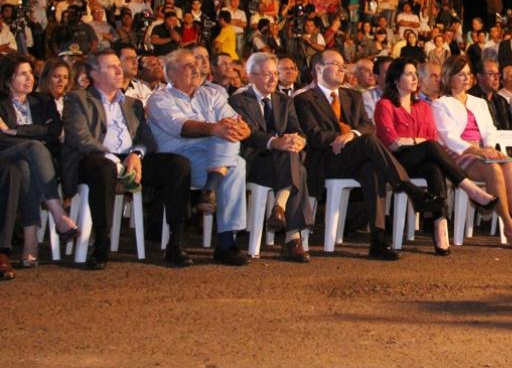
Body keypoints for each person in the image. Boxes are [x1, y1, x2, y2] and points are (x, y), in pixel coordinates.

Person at [293, 49, 442, 261]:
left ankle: (378, 240)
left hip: (355, 155)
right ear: (318, 68)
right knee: (370, 143)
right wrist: (341, 138)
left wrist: (351, 135)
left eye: (343, 63)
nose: (341, 67)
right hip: (326, 159)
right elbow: (314, 136)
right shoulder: (305, 98)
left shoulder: (352, 96)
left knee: (373, 168)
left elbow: (367, 126)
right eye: (335, 63)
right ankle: (408, 188)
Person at [62, 50, 194, 269]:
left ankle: (175, 242)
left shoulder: (131, 103)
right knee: (104, 167)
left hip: (129, 159)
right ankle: (101, 243)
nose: (119, 70)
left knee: (178, 165)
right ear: (94, 74)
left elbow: (147, 139)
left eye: (118, 65)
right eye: (111, 66)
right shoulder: (78, 99)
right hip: (94, 159)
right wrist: (113, 159)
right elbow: (80, 138)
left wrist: (136, 154)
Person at [373, 59, 498, 256]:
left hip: (420, 160)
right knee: (431, 148)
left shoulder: (422, 107)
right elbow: (392, 142)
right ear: (396, 80)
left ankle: (440, 230)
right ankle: (469, 188)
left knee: (434, 167)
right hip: (394, 163)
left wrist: (414, 141)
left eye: (415, 73)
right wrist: (418, 140)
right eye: (409, 74)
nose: (415, 78)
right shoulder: (385, 105)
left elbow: (431, 137)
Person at [147, 49, 251, 266]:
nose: (196, 68)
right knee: (233, 157)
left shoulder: (211, 94)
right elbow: (181, 127)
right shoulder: (159, 98)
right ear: (171, 74)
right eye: (188, 66)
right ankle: (225, 242)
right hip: (180, 158)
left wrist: (242, 130)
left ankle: (211, 189)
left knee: (236, 159)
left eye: (196, 63)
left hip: (212, 156)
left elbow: (238, 123)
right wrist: (216, 128)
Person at [432, 55, 512, 250]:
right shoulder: (441, 103)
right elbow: (449, 137)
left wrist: (488, 148)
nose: (466, 78)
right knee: (494, 170)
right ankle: (508, 225)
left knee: (508, 165)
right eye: (461, 74)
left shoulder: (478, 102)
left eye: (468, 74)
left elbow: (489, 130)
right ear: (449, 76)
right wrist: (476, 150)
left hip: (482, 150)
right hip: (458, 152)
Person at [228, 52, 314, 263]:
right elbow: (248, 133)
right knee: (297, 168)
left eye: (275, 74)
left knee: (293, 152)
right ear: (251, 76)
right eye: (267, 74)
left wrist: (299, 140)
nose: (273, 79)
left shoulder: (284, 100)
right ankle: (292, 238)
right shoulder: (238, 100)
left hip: (281, 163)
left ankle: (279, 209)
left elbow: (297, 130)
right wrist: (275, 142)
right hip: (253, 162)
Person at [0, 54, 78, 267]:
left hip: (37, 163)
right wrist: (30, 136)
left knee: (26, 166)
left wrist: (14, 131)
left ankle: (30, 242)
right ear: (8, 80)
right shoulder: (1, 103)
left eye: (30, 73)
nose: (29, 78)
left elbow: (53, 130)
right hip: (4, 155)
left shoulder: (43, 101)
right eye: (22, 74)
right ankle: (58, 213)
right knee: (34, 147)